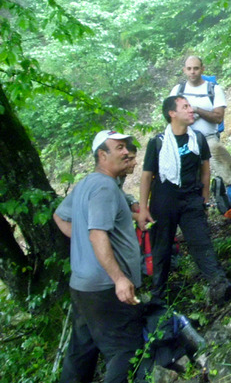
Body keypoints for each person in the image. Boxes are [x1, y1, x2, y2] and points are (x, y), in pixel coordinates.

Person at [54, 130, 145, 383]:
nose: (126, 151)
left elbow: (59, 216)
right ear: (102, 155)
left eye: (126, 146)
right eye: (119, 148)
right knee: (126, 349)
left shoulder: (86, 183)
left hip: (83, 286)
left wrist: (83, 240)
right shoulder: (104, 187)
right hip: (106, 288)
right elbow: (97, 234)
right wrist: (119, 279)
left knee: (81, 352)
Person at [137, 96, 231, 303]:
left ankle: (220, 284)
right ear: (172, 114)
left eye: (190, 106)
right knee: (161, 246)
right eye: (185, 107)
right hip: (164, 200)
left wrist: (205, 199)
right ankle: (158, 296)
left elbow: (205, 171)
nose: (191, 110)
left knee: (201, 241)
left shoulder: (198, 138)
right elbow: (147, 176)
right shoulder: (158, 143)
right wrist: (144, 208)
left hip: (191, 198)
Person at [169, 56, 231, 187]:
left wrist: (197, 110)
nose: (193, 72)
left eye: (196, 68)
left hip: (208, 139)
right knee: (187, 177)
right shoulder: (177, 91)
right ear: (184, 70)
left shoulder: (214, 89)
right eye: (189, 69)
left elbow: (218, 117)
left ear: (202, 69)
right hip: (183, 139)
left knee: (225, 166)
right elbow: (170, 116)